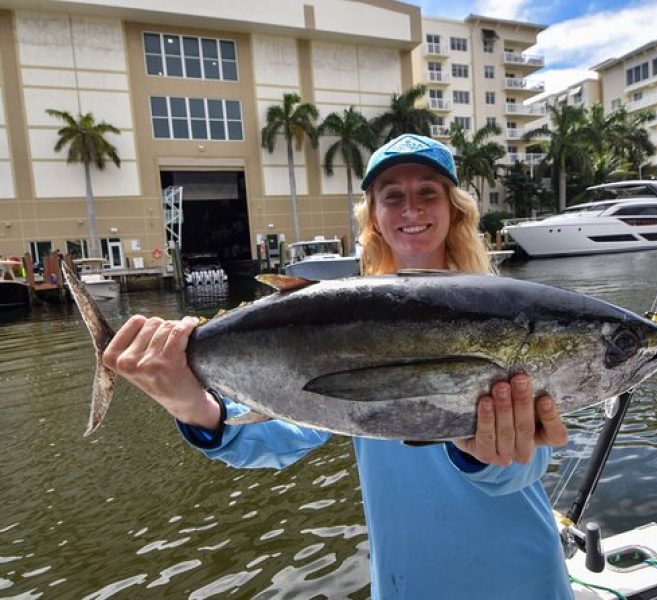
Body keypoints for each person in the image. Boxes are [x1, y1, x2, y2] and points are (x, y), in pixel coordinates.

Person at [102, 134, 574, 599]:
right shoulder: (345, 318)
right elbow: (279, 436)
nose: (411, 209)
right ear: (375, 219)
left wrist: (490, 455)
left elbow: (530, 463)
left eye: (428, 192)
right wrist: (192, 405)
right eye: (393, 197)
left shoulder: (509, 311)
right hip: (411, 580)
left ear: (454, 208)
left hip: (522, 575)